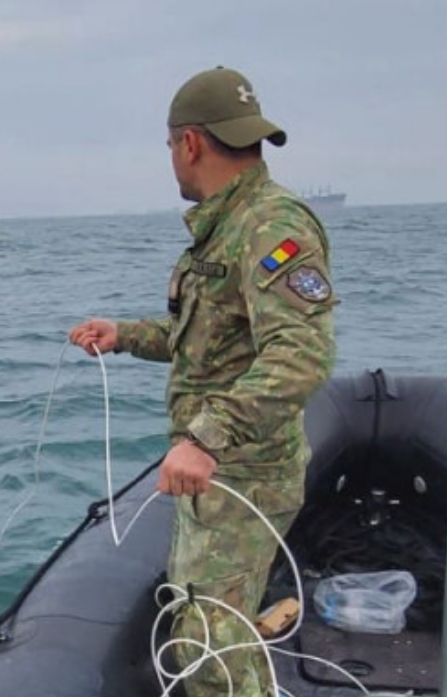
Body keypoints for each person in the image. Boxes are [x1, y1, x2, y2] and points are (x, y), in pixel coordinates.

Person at [68, 66, 338, 697]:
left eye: (170, 147)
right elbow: (204, 341)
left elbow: (302, 353)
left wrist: (206, 437)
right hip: (217, 477)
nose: (172, 159)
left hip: (242, 473)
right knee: (207, 630)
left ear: (190, 143)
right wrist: (124, 334)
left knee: (214, 654)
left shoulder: (272, 227)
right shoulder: (226, 227)